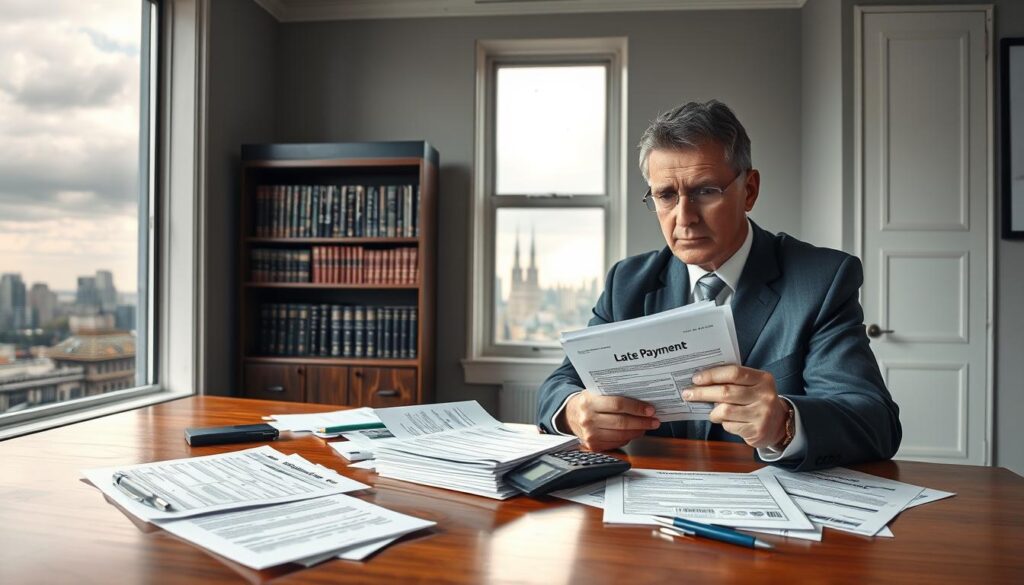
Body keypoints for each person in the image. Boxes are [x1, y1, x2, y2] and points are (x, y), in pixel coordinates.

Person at [536, 100, 901, 471]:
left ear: (750, 190)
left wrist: (784, 423)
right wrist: (574, 412)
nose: (685, 218)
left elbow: (875, 423)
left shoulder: (821, 280)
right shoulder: (626, 283)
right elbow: (558, 387)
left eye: (706, 191)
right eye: (665, 195)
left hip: (772, 507)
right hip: (650, 505)